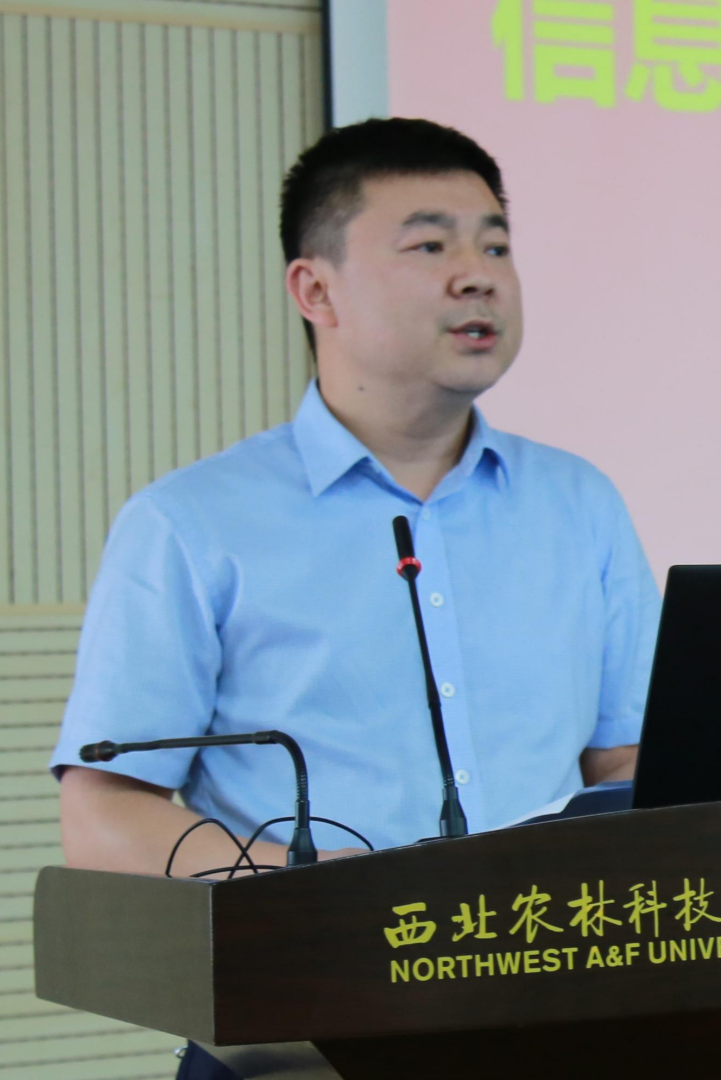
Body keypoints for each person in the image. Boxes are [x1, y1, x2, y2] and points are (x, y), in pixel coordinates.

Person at [48, 118, 662, 1080]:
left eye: (496, 245)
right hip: (300, 1035)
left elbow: (621, 762)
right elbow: (105, 816)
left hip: (553, 1023)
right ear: (315, 289)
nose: (478, 276)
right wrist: (320, 894)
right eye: (430, 246)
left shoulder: (578, 503)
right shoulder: (191, 522)